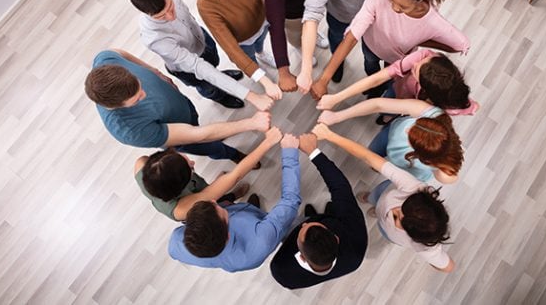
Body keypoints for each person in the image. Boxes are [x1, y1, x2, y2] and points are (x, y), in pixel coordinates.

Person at [310, 0, 470, 100]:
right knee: (370, 66)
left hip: (396, 59)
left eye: (402, 7)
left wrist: (421, 40)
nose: (394, 7)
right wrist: (324, 79)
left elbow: (460, 45)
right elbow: (351, 37)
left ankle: (380, 88)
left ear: (421, 1)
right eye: (392, 0)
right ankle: (373, 87)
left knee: (389, 80)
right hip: (370, 47)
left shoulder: (434, 22)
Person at [312, 123, 455, 273]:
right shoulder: (414, 187)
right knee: (374, 196)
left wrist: (432, 259)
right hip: (383, 193)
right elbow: (369, 157)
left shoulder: (426, 248)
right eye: (403, 206)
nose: (395, 210)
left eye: (398, 218)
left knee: (381, 220)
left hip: (387, 231)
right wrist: (330, 136)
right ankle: (370, 200)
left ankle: (374, 209)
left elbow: (448, 267)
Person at [85, 49, 270, 162]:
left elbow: (120, 52)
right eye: (137, 99)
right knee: (209, 146)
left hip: (182, 108)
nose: (145, 94)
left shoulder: (105, 61)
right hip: (182, 136)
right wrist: (251, 123)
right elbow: (199, 135)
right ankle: (233, 156)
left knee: (198, 124)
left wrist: (155, 72)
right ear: (117, 106)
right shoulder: (130, 130)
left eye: (140, 86)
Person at [168, 128, 302, 272]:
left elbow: (173, 251)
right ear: (228, 234)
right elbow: (290, 201)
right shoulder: (262, 239)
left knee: (237, 208)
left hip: (242, 216)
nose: (214, 201)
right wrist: (290, 152)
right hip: (264, 229)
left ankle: (249, 210)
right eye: (218, 208)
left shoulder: (177, 242)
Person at [129, 0, 273, 111]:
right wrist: (251, 96)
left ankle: (220, 75)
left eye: (170, 7)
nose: (171, 17)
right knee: (208, 86)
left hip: (201, 39)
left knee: (214, 63)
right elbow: (199, 67)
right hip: (187, 68)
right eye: (161, 17)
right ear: (147, 14)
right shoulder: (154, 38)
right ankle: (221, 97)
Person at [269, 133, 367, 289]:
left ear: (301, 257)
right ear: (335, 237)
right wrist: (313, 152)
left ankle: (315, 216)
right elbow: (341, 188)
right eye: (310, 224)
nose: (303, 225)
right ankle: (317, 215)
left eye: (303, 228)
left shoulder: (282, 272)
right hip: (337, 217)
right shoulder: (355, 248)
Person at [196, 0, 282, 101]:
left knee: (260, 42)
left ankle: (261, 54)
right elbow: (231, 49)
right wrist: (265, 81)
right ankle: (257, 68)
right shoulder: (206, 5)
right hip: (243, 41)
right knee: (248, 56)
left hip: (261, 21)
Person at [318, 98, 463, 184]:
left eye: (411, 136)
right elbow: (379, 104)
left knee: (377, 164)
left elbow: (368, 158)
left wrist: (329, 135)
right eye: (415, 124)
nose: (406, 130)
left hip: (402, 168)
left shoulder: (441, 171)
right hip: (389, 135)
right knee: (374, 150)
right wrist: (337, 116)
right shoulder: (431, 113)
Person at [318, 49, 479, 121]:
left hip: (410, 110)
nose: (415, 64)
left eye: (416, 71)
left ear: (426, 90)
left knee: (390, 114)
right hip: (398, 90)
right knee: (388, 101)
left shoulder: (442, 109)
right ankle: (388, 117)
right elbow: (377, 79)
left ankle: (389, 118)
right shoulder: (425, 56)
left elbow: (378, 105)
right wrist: (337, 97)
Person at [134, 140, 269, 221]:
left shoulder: (142, 164)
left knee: (215, 192)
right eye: (189, 167)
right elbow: (235, 176)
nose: (193, 162)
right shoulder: (182, 209)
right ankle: (241, 205)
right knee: (222, 207)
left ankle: (223, 192)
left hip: (198, 192)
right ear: (180, 185)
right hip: (202, 209)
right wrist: (268, 142)